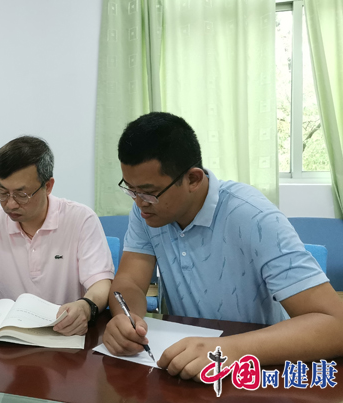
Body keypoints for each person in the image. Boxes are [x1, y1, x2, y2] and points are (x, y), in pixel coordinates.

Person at [103, 112, 343, 380]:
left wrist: (230, 349)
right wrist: (126, 319)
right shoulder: (147, 212)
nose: (138, 202)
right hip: (188, 369)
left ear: (193, 179)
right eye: (131, 189)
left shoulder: (254, 217)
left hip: (257, 371)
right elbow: (130, 282)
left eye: (148, 192)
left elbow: (335, 325)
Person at [0, 136, 114, 336]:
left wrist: (86, 306)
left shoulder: (80, 219)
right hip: (8, 336)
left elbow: (101, 284)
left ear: (48, 186)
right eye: (2, 192)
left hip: (63, 334)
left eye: (21, 195)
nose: (10, 204)